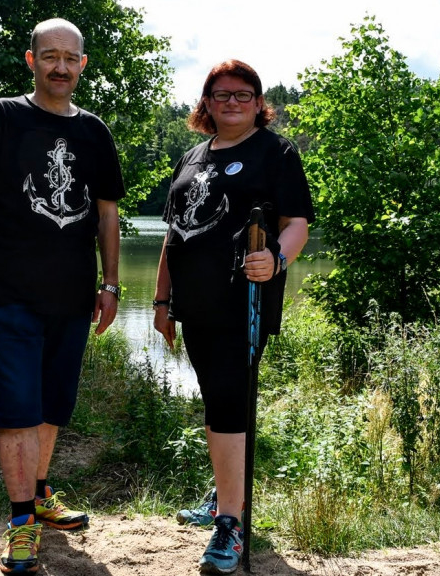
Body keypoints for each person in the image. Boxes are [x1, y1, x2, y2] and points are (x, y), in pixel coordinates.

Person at [0, 18, 123, 575]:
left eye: (70, 58)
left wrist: (110, 284)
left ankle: (38, 493)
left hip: (72, 294)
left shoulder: (94, 132)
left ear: (83, 65)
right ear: (31, 60)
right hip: (9, 290)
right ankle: (20, 526)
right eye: (50, 56)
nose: (60, 66)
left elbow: (107, 213)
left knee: (53, 404)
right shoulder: (3, 116)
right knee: (18, 408)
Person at [153, 60, 315, 574]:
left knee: (228, 401)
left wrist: (279, 259)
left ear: (258, 102)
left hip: (243, 301)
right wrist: (161, 301)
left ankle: (230, 524)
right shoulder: (192, 157)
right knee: (219, 401)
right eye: (220, 95)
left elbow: (296, 224)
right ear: (205, 102)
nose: (231, 103)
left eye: (243, 95)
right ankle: (228, 495)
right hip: (194, 303)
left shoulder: (275, 152)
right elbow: (174, 234)